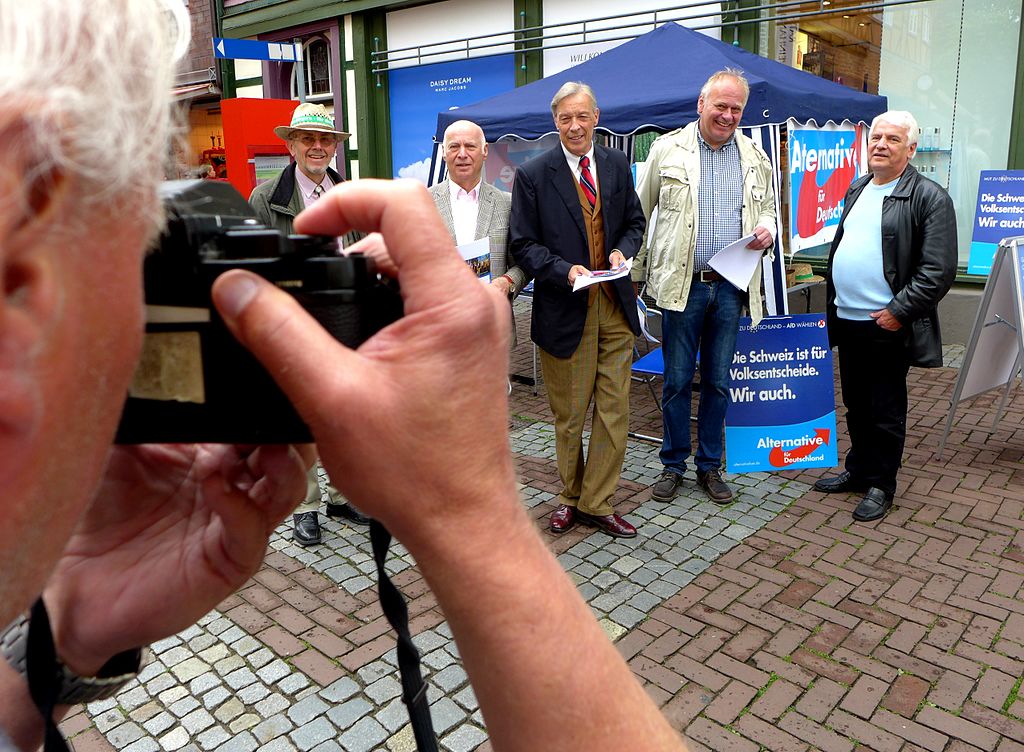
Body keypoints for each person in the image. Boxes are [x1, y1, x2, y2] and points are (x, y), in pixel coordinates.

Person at [0, 3, 688, 750]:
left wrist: (68, 640)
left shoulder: (554, 178)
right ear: (28, 281)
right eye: (143, 255)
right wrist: (473, 517)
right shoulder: (270, 198)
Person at [632, 69, 776, 505]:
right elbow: (640, 215)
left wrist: (769, 227)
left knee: (718, 381)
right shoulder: (666, 150)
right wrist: (635, 277)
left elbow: (768, 209)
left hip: (731, 287)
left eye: (736, 109)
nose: (728, 115)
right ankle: (673, 464)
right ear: (701, 104)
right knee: (676, 380)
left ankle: (709, 466)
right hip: (683, 286)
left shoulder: (756, 157)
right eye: (721, 106)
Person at [510, 82, 646, 539]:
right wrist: (564, 270)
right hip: (566, 309)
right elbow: (523, 245)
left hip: (614, 306)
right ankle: (569, 496)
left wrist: (622, 253)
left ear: (596, 116)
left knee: (614, 411)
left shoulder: (615, 163)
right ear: (555, 122)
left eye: (582, 116)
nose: (574, 126)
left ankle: (597, 501)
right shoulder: (533, 174)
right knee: (570, 416)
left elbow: (634, 222)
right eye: (565, 118)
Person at [814, 110, 957, 522]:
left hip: (886, 324)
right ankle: (858, 470)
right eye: (876, 137)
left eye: (893, 139)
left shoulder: (929, 197)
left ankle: (882, 483)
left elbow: (938, 270)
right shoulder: (858, 187)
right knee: (856, 403)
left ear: (911, 149)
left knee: (885, 408)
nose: (881, 144)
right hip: (848, 318)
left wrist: (899, 312)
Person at [248, 102, 369, 546]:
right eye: (307, 139)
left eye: (325, 140)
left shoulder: (347, 192)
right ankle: (304, 505)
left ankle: (339, 496)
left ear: (334, 147)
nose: (317, 147)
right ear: (291, 145)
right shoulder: (265, 198)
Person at [430, 119, 526, 345]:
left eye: (470, 146)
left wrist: (507, 282)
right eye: (454, 147)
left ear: (484, 152)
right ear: (444, 153)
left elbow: (523, 263)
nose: (462, 154)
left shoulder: (507, 204)